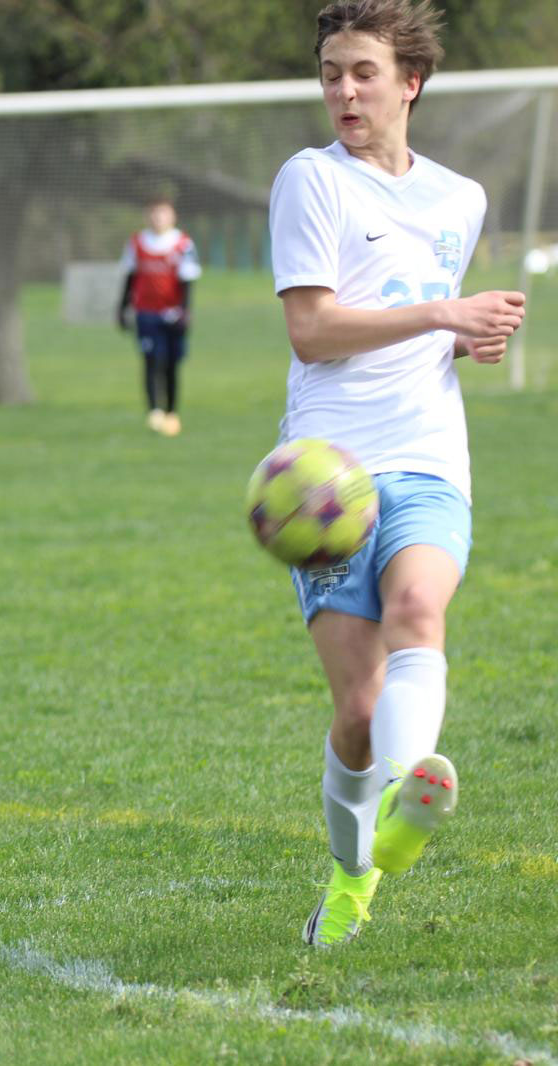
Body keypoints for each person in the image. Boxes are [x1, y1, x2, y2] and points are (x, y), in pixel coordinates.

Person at [267, 0, 525, 946]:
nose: (343, 89)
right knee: (359, 712)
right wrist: (443, 319)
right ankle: (348, 876)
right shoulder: (310, 181)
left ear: (409, 83)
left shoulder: (460, 198)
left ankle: (414, 800)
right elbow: (315, 329)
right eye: (332, 71)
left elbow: (425, 327)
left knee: (421, 613)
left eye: (363, 72)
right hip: (327, 479)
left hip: (428, 460)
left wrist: (468, 340)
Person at [117, 195, 200, 437]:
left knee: (172, 364)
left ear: (172, 215)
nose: (158, 217)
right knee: (152, 360)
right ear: (147, 215)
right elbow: (129, 278)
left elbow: (188, 281)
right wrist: (122, 309)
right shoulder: (137, 243)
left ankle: (172, 412)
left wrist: (185, 311)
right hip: (147, 314)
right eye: (153, 212)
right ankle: (154, 412)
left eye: (162, 212)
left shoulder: (183, 244)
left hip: (172, 314)